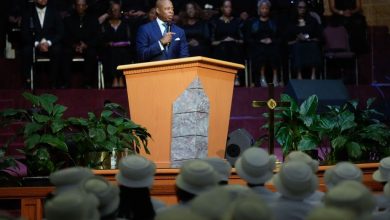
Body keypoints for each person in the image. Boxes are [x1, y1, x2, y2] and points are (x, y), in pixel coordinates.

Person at [20, 0, 64, 88]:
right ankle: (29, 82)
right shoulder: (28, 12)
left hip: (50, 43)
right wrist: (37, 44)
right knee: (26, 51)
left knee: (58, 50)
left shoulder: (54, 11)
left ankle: (54, 82)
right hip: (34, 43)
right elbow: (24, 33)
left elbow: (60, 32)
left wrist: (48, 43)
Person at [62, 0, 99, 88]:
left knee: (92, 53)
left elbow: (97, 37)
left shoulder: (93, 19)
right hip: (72, 45)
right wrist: (74, 45)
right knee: (64, 52)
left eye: (83, 5)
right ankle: (66, 82)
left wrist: (86, 45)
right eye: (78, 5)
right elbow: (64, 36)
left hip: (87, 45)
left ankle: (88, 83)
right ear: (74, 6)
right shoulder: (68, 19)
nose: (80, 7)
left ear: (86, 6)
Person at [244, 0, 280, 87]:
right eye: (262, 8)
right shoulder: (253, 22)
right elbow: (248, 38)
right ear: (259, 9)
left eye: (266, 8)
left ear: (269, 10)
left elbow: (279, 37)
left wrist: (271, 40)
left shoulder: (273, 22)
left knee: (274, 51)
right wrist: (260, 41)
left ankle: (275, 77)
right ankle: (262, 77)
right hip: (258, 45)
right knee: (261, 51)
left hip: (272, 45)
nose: (264, 10)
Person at [287, 0, 322, 80]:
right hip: (296, 43)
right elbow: (287, 39)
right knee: (298, 47)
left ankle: (313, 74)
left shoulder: (312, 20)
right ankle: (299, 75)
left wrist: (309, 39)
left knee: (313, 46)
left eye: (304, 7)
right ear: (296, 8)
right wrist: (297, 39)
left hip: (309, 43)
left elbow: (319, 36)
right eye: (300, 7)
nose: (302, 9)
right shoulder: (291, 22)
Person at [101, 1, 132, 88]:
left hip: (124, 50)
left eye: (117, 10)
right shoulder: (105, 25)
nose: (115, 12)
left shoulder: (125, 24)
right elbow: (102, 40)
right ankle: (114, 78)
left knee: (123, 52)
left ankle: (121, 78)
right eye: (113, 10)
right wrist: (108, 43)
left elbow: (130, 40)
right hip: (109, 50)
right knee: (113, 52)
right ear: (110, 11)